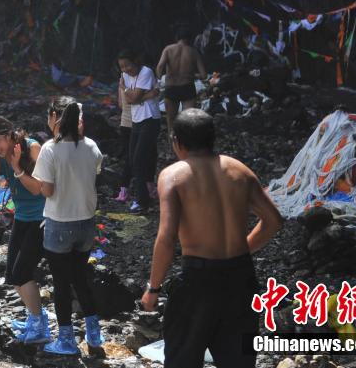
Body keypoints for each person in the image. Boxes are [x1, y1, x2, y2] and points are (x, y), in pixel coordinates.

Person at [140, 109, 283, 368]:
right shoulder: (240, 171)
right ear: (212, 138)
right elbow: (273, 221)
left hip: (198, 280)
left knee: (183, 358)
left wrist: (154, 288)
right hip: (240, 277)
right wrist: (243, 248)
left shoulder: (174, 176)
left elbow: (167, 237)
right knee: (238, 361)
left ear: (177, 142)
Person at [29, 96, 105, 355]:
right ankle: (94, 338)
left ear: (54, 118)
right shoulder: (92, 146)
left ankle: (67, 341)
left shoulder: (50, 149)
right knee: (81, 280)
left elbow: (48, 191)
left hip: (60, 224)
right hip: (86, 224)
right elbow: (93, 176)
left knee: (61, 284)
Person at [0, 115, 50, 345]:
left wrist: (16, 166)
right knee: (13, 274)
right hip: (21, 217)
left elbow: (39, 189)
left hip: (42, 218)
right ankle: (33, 318)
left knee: (22, 273)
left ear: (9, 135)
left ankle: (40, 326)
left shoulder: (31, 147)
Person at [118, 49, 162, 214]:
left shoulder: (146, 72)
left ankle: (142, 201)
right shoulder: (125, 76)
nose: (125, 69)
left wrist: (129, 92)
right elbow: (128, 102)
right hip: (136, 121)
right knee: (134, 159)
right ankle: (145, 196)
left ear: (136, 61)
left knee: (138, 160)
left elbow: (133, 98)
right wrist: (147, 95)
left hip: (149, 119)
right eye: (122, 67)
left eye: (127, 65)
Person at [156, 28, 207, 133]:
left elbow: (160, 67)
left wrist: (159, 81)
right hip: (187, 88)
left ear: (177, 38)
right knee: (188, 122)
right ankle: (186, 148)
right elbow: (204, 75)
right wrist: (192, 75)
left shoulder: (168, 49)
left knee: (171, 122)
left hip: (171, 88)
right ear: (189, 39)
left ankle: (172, 148)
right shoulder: (193, 52)